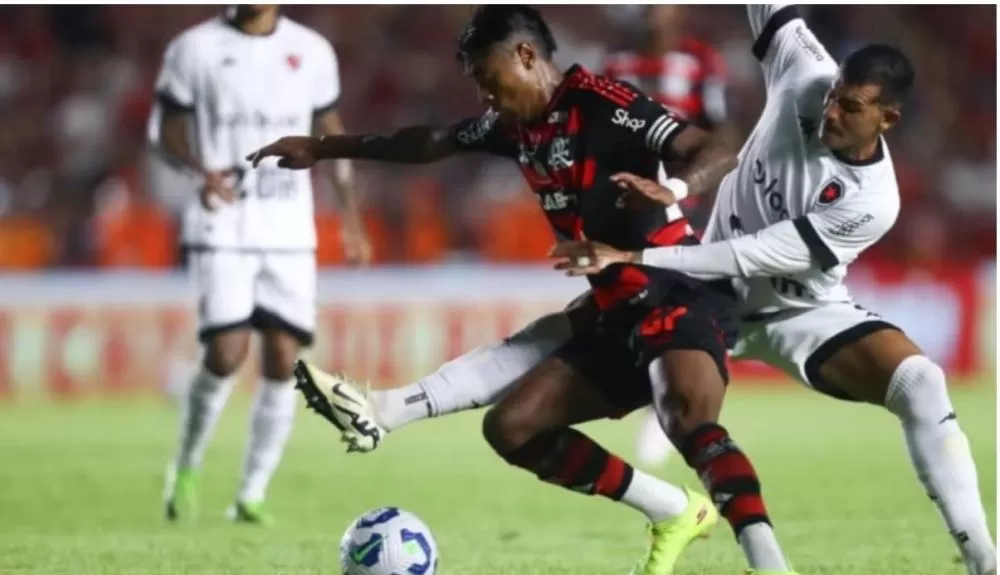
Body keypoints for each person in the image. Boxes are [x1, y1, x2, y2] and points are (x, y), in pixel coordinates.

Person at [249, 5, 797, 574]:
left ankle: (771, 566)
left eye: (489, 79)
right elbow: (432, 140)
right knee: (513, 428)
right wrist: (323, 148)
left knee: (687, 421)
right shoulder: (517, 127)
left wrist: (674, 187)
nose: (486, 95)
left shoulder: (603, 102)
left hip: (678, 292)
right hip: (617, 311)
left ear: (527, 56)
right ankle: (673, 510)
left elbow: (710, 149)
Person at [551, 5, 997, 575]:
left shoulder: (873, 202)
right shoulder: (803, 68)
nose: (831, 110)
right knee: (592, 384)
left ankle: (982, 556)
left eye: (852, 106)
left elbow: (751, 254)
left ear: (888, 118)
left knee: (922, 382)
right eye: (835, 94)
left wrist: (638, 256)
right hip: (706, 296)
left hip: (798, 312)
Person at [149, 4, 370, 524]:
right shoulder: (193, 48)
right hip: (222, 224)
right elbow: (166, 129)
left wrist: (351, 216)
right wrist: (199, 171)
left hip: (289, 230)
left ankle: (251, 494)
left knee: (282, 356)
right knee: (227, 352)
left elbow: (330, 136)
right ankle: (185, 466)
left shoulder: (312, 52)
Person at [602, 4, 734, 465]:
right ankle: (653, 396)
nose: (655, 14)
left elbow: (721, 135)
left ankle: (669, 403)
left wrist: (692, 183)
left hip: (684, 205)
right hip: (628, 210)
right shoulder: (615, 66)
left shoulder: (699, 63)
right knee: (633, 302)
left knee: (675, 303)